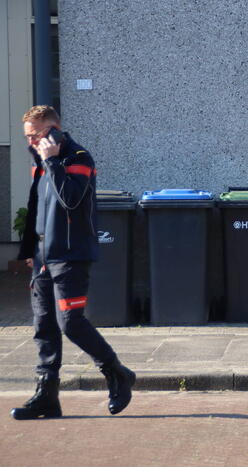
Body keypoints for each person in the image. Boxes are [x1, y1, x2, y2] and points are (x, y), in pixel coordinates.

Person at [11, 105, 136, 420]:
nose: (31, 142)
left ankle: (117, 373)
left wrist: (52, 160)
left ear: (54, 130)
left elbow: (71, 200)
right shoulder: (41, 162)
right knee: (44, 326)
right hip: (43, 258)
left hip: (70, 256)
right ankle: (47, 397)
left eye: (36, 135)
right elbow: (36, 207)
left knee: (71, 323)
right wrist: (29, 250)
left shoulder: (78, 158)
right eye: (27, 137)